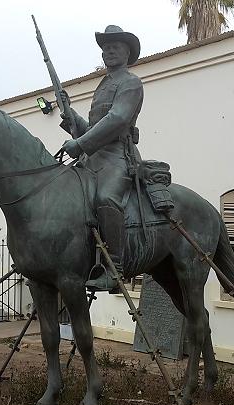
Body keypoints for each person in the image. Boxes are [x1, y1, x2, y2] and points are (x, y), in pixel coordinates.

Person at [60, 25, 144, 291]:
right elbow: (93, 128)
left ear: (126, 52)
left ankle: (115, 268)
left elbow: (117, 120)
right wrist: (69, 113)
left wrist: (80, 143)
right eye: (105, 47)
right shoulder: (103, 85)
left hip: (118, 156)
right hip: (92, 158)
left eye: (114, 46)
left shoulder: (130, 82)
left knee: (106, 198)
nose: (108, 51)